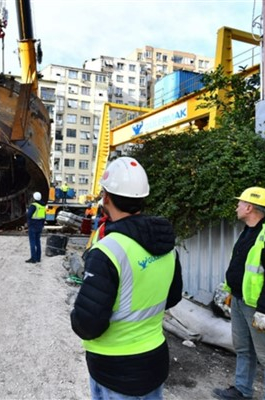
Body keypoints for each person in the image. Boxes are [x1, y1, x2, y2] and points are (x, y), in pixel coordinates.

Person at [70, 157, 183, 399]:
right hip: (154, 360)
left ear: (107, 198)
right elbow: (172, 297)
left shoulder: (108, 250)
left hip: (115, 369)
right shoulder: (165, 244)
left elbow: (87, 325)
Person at [213, 187, 265, 400]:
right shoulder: (248, 231)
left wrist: (264, 311)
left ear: (249, 207)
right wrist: (227, 289)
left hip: (260, 309)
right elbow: (240, 265)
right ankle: (242, 391)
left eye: (240, 203)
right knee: (243, 349)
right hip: (240, 302)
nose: (236, 206)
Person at [26, 191, 46, 264]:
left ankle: (33, 259)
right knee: (38, 242)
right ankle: (38, 258)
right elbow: (44, 217)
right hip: (39, 226)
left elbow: (29, 215)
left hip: (33, 226)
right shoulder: (42, 206)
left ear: (34, 198)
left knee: (32, 242)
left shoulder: (33, 205)